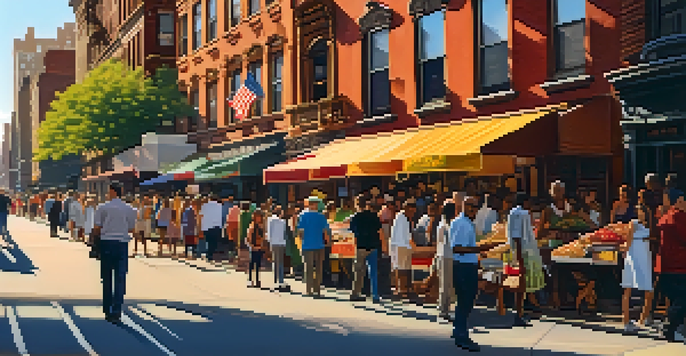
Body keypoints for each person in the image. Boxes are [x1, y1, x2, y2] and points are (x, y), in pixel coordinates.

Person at [94, 183, 136, 324]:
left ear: (112, 191)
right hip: (122, 243)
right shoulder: (129, 209)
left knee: (106, 277)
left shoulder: (102, 208)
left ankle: (107, 308)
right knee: (120, 277)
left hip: (107, 242)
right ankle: (117, 310)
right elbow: (131, 228)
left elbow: (97, 227)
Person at [450, 196, 487, 352]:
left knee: (465, 300)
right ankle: (461, 335)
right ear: (465, 206)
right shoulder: (461, 224)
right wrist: (479, 249)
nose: (475, 210)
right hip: (463, 266)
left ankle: (459, 330)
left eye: (476, 207)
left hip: (467, 265)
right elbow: (457, 248)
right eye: (472, 207)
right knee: (466, 300)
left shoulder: (466, 223)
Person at [654, 189, 686, 342]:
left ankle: (674, 328)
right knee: (682, 299)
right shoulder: (679, 217)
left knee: (676, 299)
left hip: (665, 265)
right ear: (680, 201)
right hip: (680, 265)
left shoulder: (665, 217)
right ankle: (669, 327)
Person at [620, 198, 654, 332]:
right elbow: (628, 242)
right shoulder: (633, 223)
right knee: (628, 287)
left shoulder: (649, 226)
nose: (640, 213)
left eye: (642, 211)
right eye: (638, 211)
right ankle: (626, 320)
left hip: (645, 256)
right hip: (633, 256)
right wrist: (625, 253)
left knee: (648, 289)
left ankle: (643, 318)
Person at [349, 196, 383, 303]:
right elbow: (380, 232)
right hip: (373, 245)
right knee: (373, 271)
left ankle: (356, 292)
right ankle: (375, 295)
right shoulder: (374, 216)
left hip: (361, 246)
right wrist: (384, 246)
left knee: (358, 271)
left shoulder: (355, 217)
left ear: (357, 204)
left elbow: (353, 234)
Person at [297, 197, 330, 297]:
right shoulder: (321, 216)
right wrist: (328, 242)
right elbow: (326, 231)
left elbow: (300, 231)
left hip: (307, 245)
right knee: (319, 267)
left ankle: (309, 289)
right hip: (319, 244)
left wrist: (301, 240)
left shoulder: (303, 216)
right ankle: (317, 289)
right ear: (316, 205)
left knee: (309, 267)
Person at [436, 194, 461, 319]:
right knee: (446, 284)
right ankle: (443, 309)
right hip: (447, 256)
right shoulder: (446, 226)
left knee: (447, 283)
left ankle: (445, 307)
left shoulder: (444, 224)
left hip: (444, 255)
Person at [390, 200, 417, 300]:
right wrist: (414, 246)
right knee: (401, 268)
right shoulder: (401, 218)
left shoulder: (405, 218)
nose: (413, 214)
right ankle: (401, 289)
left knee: (406, 268)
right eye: (412, 211)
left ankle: (406, 289)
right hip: (400, 245)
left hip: (405, 246)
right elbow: (405, 236)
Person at [267, 205, 288, 291]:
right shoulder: (283, 222)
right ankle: (281, 279)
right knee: (280, 262)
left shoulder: (270, 220)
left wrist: (269, 241)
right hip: (281, 243)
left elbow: (269, 231)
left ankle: (276, 280)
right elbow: (284, 233)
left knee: (275, 261)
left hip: (274, 242)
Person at [246, 209, 268, 288]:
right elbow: (249, 236)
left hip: (260, 247)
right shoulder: (252, 225)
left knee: (258, 264)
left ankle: (257, 280)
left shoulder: (262, 225)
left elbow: (264, 236)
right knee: (252, 263)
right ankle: (250, 279)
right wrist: (251, 245)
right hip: (253, 246)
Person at [200, 195, 223, 262]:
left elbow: (201, 215)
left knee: (208, 241)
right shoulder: (220, 206)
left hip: (207, 226)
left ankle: (209, 254)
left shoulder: (204, 206)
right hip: (216, 226)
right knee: (214, 242)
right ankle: (211, 254)